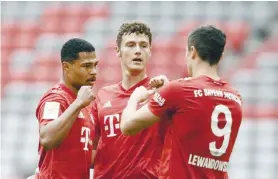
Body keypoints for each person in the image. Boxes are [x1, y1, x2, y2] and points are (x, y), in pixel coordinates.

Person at [121, 25, 243, 179]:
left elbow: (127, 127)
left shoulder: (179, 90)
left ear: (192, 51)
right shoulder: (235, 97)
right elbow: (192, 118)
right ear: (221, 56)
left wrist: (134, 98)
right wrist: (166, 94)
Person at [92, 21, 169, 179]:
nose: (138, 51)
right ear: (118, 51)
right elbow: (91, 150)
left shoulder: (161, 92)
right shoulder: (103, 95)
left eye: (143, 46)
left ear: (150, 51)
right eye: (131, 45)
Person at [35, 38, 98, 179]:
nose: (93, 71)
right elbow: (47, 138)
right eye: (86, 66)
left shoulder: (86, 104)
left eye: (95, 65)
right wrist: (78, 104)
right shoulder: (56, 98)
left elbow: (83, 155)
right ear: (66, 67)